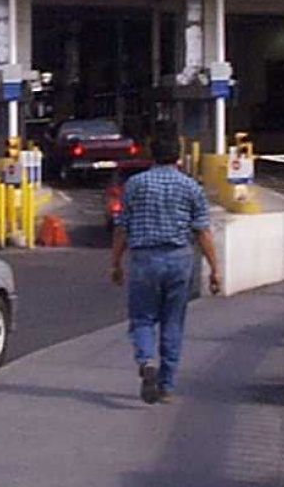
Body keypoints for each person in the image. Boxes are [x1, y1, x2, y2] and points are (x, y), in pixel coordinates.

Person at [111, 132, 219, 405]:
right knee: (173, 321)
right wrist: (215, 269)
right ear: (179, 155)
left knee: (143, 318)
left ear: (151, 153)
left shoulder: (135, 185)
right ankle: (167, 385)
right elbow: (202, 231)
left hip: (144, 258)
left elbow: (122, 228)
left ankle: (146, 360)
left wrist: (115, 263)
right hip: (179, 258)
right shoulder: (191, 187)